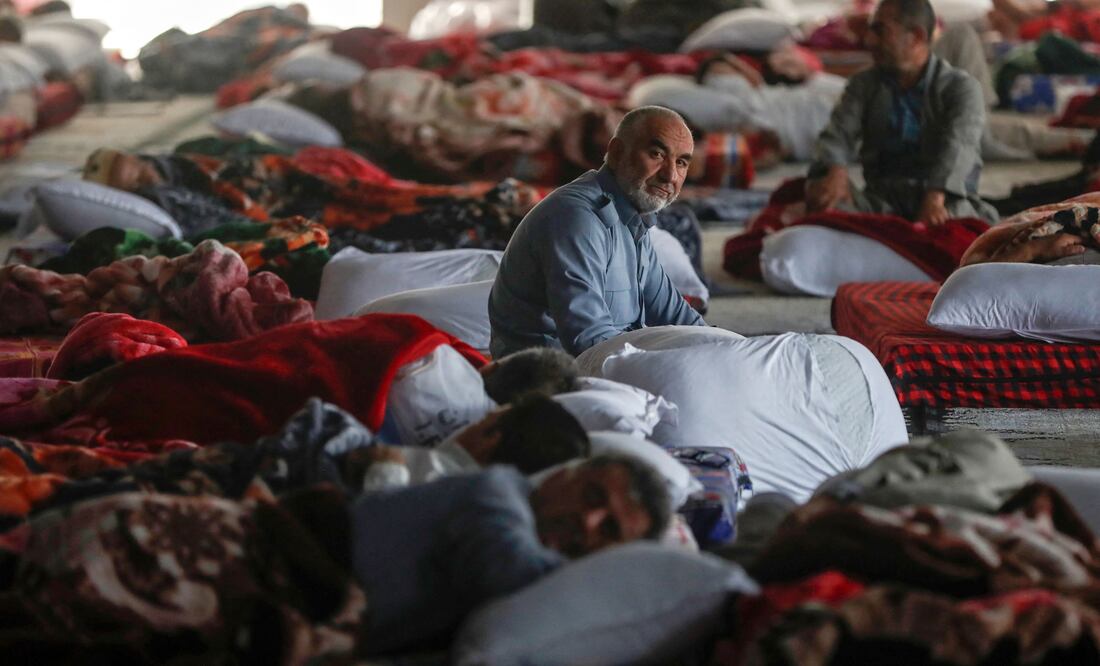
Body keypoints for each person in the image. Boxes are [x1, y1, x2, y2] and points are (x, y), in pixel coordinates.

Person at [352, 454, 670, 654]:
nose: (588, 521)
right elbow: (505, 569)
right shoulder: (497, 492)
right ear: (561, 475)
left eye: (609, 529)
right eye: (592, 496)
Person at [489, 105, 706, 358]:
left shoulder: (635, 216)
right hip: (550, 374)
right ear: (616, 153)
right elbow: (588, 340)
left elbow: (675, 315)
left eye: (681, 163)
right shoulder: (577, 217)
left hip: (604, 360)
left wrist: (727, 349)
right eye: (657, 154)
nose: (670, 175)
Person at [805, 0, 997, 225]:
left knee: (957, 222)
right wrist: (835, 171)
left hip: (944, 199)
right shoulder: (863, 84)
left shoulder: (961, 87)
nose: (869, 40)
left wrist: (935, 197)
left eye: (880, 31)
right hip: (881, 200)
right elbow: (838, 133)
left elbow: (959, 147)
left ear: (916, 36)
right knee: (820, 195)